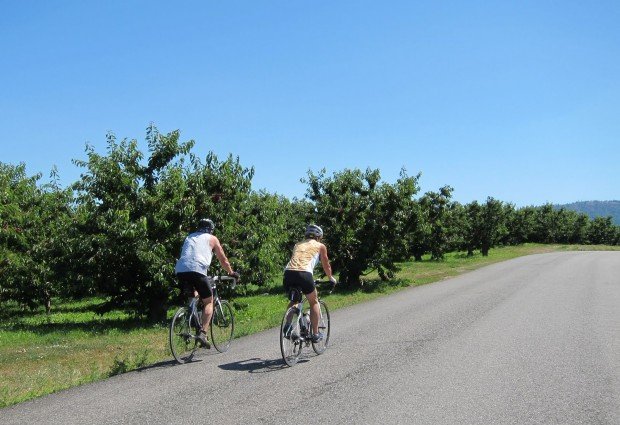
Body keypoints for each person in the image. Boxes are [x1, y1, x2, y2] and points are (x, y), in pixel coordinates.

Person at [175, 218, 239, 348]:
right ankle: (203, 333)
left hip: (180, 270)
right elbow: (223, 259)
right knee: (209, 301)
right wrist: (231, 272)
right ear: (211, 229)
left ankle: (192, 318)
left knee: (194, 296)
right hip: (198, 270)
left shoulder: (189, 237)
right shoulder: (212, 239)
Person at [283, 224, 336, 342]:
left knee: (294, 301)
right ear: (319, 237)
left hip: (288, 273)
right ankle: (316, 334)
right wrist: (330, 277)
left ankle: (287, 326)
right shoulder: (320, 246)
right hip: (305, 274)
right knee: (314, 302)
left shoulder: (298, 244)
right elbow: (326, 264)